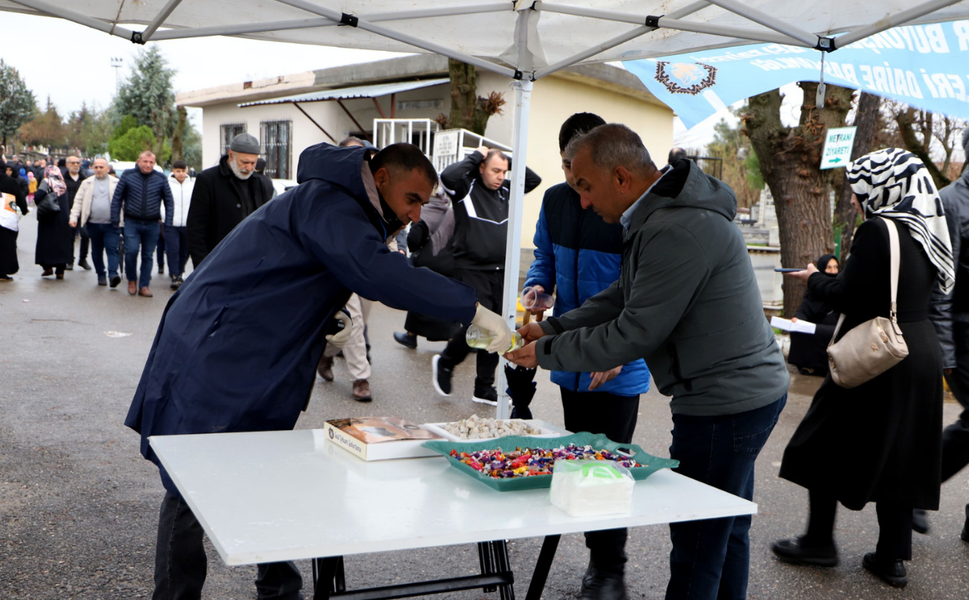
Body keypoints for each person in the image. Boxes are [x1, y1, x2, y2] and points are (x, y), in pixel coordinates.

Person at [124, 142, 513, 600]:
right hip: (219, 349)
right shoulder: (332, 201)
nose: (413, 214)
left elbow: (295, 268)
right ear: (381, 178)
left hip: (248, 348)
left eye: (421, 204)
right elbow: (376, 272)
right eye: (411, 200)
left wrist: (324, 312)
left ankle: (280, 588)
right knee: (191, 481)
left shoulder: (344, 200)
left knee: (261, 466)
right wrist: (471, 308)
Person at [505, 123, 789, 600]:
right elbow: (625, 293)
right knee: (725, 525)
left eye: (586, 186)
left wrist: (547, 351)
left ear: (620, 177)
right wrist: (555, 328)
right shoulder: (660, 214)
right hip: (740, 392)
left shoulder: (675, 226)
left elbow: (636, 330)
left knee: (699, 541)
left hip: (723, 402)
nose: (583, 202)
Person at [771, 148, 953, 589]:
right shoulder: (927, 228)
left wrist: (813, 278)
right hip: (919, 351)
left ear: (882, 186)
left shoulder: (878, 230)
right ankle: (892, 557)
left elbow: (847, 297)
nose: (854, 198)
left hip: (878, 354)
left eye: (858, 189)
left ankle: (819, 541)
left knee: (821, 439)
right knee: (902, 452)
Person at [519, 113, 652, 600]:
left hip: (619, 362)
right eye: (566, 169)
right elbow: (545, 257)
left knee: (609, 466)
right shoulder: (556, 201)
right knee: (578, 458)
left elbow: (639, 296)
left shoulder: (628, 210)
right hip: (570, 357)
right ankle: (597, 555)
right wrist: (538, 286)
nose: (578, 189)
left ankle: (609, 569)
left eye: (583, 177)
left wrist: (620, 351)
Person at [433, 145, 541, 405]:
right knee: (481, 323)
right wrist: (478, 156)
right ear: (481, 168)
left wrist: (506, 159)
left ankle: (483, 386)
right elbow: (447, 176)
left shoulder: (507, 189)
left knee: (499, 326)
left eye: (504, 171)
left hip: (501, 269)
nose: (500, 176)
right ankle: (446, 361)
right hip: (471, 267)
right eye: (495, 170)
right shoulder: (465, 186)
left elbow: (533, 180)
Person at [917, 126, 969, 539]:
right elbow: (941, 286)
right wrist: (946, 352)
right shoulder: (950, 202)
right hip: (963, 338)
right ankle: (916, 488)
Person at [316, 137, 382, 402]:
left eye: (361, 155)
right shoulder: (325, 188)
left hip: (366, 267)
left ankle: (326, 354)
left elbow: (391, 224)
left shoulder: (374, 188)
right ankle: (360, 379)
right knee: (352, 320)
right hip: (337, 267)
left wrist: (397, 248)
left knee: (354, 324)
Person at [187, 132, 274, 267]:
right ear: (231, 155)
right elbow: (196, 229)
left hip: (253, 263)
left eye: (253, 163)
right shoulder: (208, 180)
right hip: (218, 264)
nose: (249, 168)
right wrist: (202, 267)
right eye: (244, 162)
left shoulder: (262, 184)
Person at [392, 187, 458, 351]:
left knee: (419, 298)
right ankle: (453, 339)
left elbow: (414, 240)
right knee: (448, 301)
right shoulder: (452, 214)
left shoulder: (424, 213)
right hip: (450, 264)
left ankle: (411, 336)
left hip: (427, 263)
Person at [111, 151, 174, 297]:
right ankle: (132, 280)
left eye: (151, 162)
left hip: (152, 223)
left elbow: (169, 201)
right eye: (145, 161)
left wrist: (168, 222)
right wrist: (115, 219)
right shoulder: (128, 175)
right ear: (138, 161)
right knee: (131, 251)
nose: (148, 165)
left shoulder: (160, 178)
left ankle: (144, 285)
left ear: (155, 163)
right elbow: (117, 198)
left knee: (148, 255)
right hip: (132, 222)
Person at [69, 158, 121, 287]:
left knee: (112, 249)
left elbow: (124, 202)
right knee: (96, 251)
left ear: (107, 169)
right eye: (96, 167)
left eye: (101, 167)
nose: (98, 170)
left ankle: (113, 274)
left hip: (111, 224)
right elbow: (78, 201)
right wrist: (74, 217)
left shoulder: (116, 183)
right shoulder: (87, 183)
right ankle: (101, 274)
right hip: (93, 224)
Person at [787, 254, 841, 375]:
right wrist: (797, 318)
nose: (833, 271)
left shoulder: (839, 288)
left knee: (829, 333)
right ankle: (806, 365)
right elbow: (805, 308)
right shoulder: (814, 289)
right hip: (815, 325)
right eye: (829, 268)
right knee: (799, 329)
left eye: (835, 267)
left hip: (835, 327)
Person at [34, 165, 74, 279]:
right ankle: (60, 271)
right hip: (63, 217)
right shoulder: (63, 183)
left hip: (49, 216)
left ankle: (48, 267)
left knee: (46, 242)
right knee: (61, 242)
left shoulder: (47, 181)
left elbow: (38, 196)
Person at [164, 159, 194, 289]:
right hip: (171, 223)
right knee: (173, 249)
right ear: (173, 171)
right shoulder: (167, 184)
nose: (181, 174)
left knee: (185, 250)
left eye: (183, 171)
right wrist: (164, 216)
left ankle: (180, 272)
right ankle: (175, 275)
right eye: (178, 171)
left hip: (188, 223)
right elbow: (162, 202)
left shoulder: (192, 185)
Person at [0, 158, 29, 281]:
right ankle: (3, 272)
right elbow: (20, 197)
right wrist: (24, 209)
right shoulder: (10, 182)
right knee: (6, 245)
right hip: (6, 219)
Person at [64, 156, 91, 271]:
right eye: (73, 163)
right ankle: (69, 260)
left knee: (85, 235)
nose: (75, 165)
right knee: (69, 237)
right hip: (68, 211)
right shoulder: (63, 179)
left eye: (77, 163)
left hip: (83, 212)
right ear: (67, 165)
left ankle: (83, 259)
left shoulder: (84, 180)